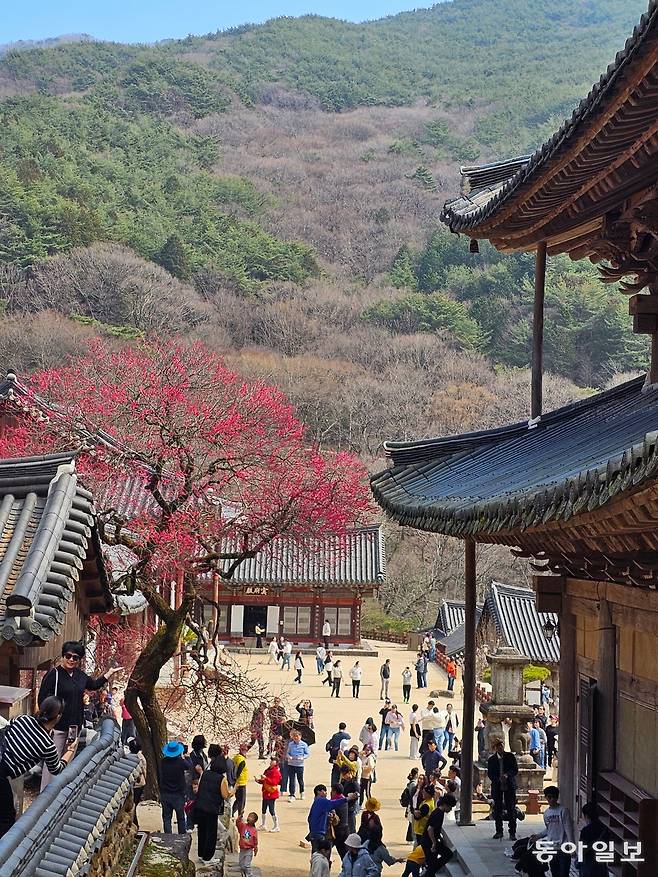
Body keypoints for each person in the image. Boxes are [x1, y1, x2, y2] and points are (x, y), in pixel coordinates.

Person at [37, 640, 123, 789]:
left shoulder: (80, 675)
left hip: (74, 726)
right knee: (53, 761)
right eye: (68, 656)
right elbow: (42, 699)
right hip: (57, 726)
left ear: (79, 659)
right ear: (63, 656)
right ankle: (46, 792)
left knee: (68, 760)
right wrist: (48, 720)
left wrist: (108, 674)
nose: (71, 660)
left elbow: (93, 685)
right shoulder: (54, 675)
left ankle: (61, 791)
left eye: (75, 657)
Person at [0, 696, 76, 838]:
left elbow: (8, 731)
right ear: (58, 716)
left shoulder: (23, 719)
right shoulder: (47, 745)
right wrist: (70, 750)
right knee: (7, 817)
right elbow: (56, 769)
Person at [530, 786, 575, 877]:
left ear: (557, 797)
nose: (552, 799)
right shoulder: (546, 813)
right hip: (551, 848)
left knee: (564, 874)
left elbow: (568, 829)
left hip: (563, 848)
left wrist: (572, 846)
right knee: (555, 873)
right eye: (549, 797)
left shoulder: (563, 811)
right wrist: (538, 836)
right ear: (546, 797)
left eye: (554, 797)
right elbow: (548, 829)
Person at [195, 754, 230, 861]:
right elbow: (225, 795)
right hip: (211, 809)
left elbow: (199, 788)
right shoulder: (222, 779)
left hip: (200, 806)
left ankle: (201, 854)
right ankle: (208, 858)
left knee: (202, 831)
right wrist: (233, 790)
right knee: (211, 834)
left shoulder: (205, 774)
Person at [307, 783, 355, 852]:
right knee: (321, 854)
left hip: (314, 833)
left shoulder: (316, 802)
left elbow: (309, 818)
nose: (326, 792)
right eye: (324, 791)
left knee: (316, 854)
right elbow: (334, 803)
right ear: (318, 792)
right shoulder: (322, 801)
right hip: (320, 834)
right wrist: (348, 798)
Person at [487, 739, 518, 841]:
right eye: (498, 746)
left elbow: (515, 769)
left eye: (501, 745)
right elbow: (490, 774)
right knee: (497, 809)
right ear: (495, 748)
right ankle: (499, 831)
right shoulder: (492, 760)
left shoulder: (510, 756)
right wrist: (498, 779)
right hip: (497, 786)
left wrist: (507, 775)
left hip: (509, 785)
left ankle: (512, 832)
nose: (500, 747)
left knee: (511, 809)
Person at [160, 740, 192, 834]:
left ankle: (168, 836)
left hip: (165, 793)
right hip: (178, 794)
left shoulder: (163, 762)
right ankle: (182, 836)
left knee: (166, 818)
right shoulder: (181, 762)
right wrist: (185, 757)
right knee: (180, 817)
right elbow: (189, 766)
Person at [421, 793, 457, 876]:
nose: (450, 809)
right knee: (447, 855)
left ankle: (431, 869)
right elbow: (430, 829)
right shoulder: (438, 813)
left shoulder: (438, 812)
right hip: (428, 842)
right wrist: (434, 843)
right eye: (450, 807)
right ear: (445, 805)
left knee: (433, 864)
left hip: (429, 841)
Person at [579, 802, 610, 877]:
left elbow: (582, 849)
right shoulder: (605, 829)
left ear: (586, 816)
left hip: (588, 865)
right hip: (601, 866)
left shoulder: (585, 830)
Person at [256, 755, 281, 831]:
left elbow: (274, 782)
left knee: (271, 809)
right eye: (271, 760)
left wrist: (266, 778)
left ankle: (276, 826)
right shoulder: (267, 770)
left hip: (272, 793)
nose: (271, 762)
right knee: (263, 809)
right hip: (265, 792)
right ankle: (263, 824)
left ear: (276, 763)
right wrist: (259, 780)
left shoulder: (276, 772)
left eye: (273, 760)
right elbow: (264, 781)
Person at [286, 729, 310, 801]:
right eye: (294, 736)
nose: (296, 738)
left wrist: (303, 757)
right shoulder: (290, 744)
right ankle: (292, 794)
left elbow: (307, 754)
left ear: (300, 736)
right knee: (291, 780)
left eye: (297, 736)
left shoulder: (304, 744)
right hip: (291, 764)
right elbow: (287, 753)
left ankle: (302, 792)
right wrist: (289, 757)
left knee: (300, 779)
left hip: (299, 765)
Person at [128, 738, 147, 827]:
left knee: (133, 804)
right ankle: (134, 822)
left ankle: (134, 822)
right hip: (140, 784)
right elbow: (144, 771)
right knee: (134, 803)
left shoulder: (128, 757)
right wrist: (145, 779)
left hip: (133, 784)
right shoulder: (141, 757)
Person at [236, 811, 259, 877]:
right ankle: (244, 874)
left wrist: (255, 849)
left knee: (247, 865)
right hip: (242, 849)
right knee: (241, 864)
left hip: (249, 850)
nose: (249, 818)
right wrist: (240, 816)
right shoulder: (243, 826)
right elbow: (238, 823)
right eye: (249, 816)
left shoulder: (254, 830)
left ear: (254, 821)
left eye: (251, 817)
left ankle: (249, 875)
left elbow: (255, 840)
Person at [232, 743, 250, 816]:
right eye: (244, 750)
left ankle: (232, 813)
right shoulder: (241, 760)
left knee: (238, 800)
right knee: (242, 801)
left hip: (238, 782)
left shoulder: (236, 757)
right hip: (241, 782)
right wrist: (236, 779)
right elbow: (238, 771)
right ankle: (240, 816)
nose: (245, 751)